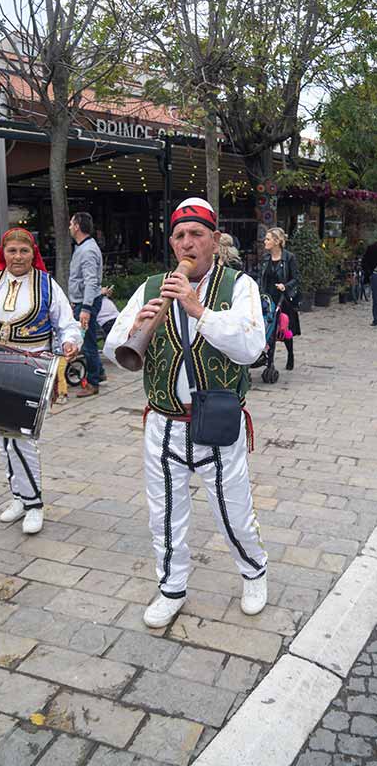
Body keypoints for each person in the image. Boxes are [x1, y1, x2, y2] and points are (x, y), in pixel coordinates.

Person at [104, 197, 268, 629]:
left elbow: (252, 347)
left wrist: (198, 309)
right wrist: (136, 325)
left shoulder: (239, 285)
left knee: (232, 509)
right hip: (162, 422)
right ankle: (171, 589)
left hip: (216, 420)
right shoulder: (152, 285)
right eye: (179, 236)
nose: (187, 243)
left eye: (197, 234)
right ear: (172, 243)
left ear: (214, 240)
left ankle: (254, 572)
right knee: (165, 512)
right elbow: (113, 348)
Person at [0, 228, 81, 534]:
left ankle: (34, 504)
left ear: (33, 253)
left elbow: (67, 324)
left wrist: (70, 342)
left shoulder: (47, 286)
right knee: (3, 438)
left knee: (21, 438)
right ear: (3, 253)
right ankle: (20, 498)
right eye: (12, 251)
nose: (18, 257)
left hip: (31, 370)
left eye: (24, 251)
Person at [68, 212, 103, 397]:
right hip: (83, 301)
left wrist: (86, 309)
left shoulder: (87, 250)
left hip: (86, 302)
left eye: (71, 223)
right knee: (88, 338)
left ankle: (92, 383)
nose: (69, 227)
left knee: (87, 343)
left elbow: (91, 281)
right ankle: (100, 373)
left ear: (77, 226)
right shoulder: (83, 247)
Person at [259, 228, 300, 370]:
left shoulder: (289, 258)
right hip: (267, 299)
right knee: (268, 330)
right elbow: (261, 278)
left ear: (277, 242)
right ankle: (269, 363)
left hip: (283, 299)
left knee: (284, 329)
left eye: (268, 239)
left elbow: (296, 278)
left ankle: (290, 354)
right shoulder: (265, 258)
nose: (265, 241)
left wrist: (285, 286)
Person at [96, 286, 120, 383]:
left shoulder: (103, 295)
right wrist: (101, 294)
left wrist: (106, 294)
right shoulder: (94, 295)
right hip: (106, 321)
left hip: (117, 317)